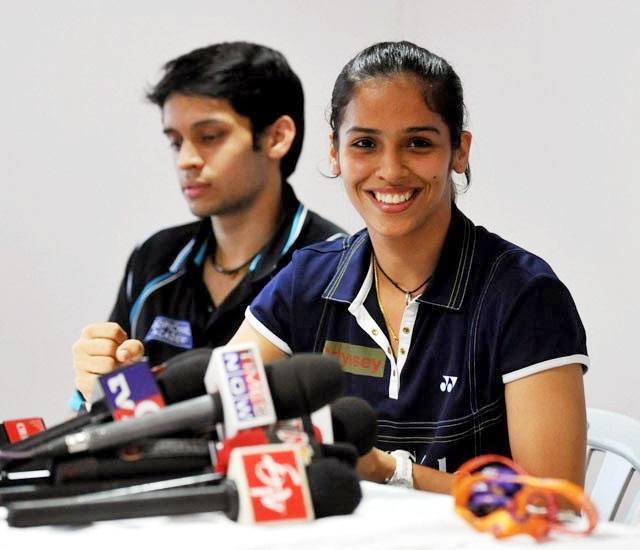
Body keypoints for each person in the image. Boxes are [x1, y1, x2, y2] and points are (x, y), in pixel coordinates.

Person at [114, 41, 588, 494]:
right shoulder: (308, 278)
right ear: (334, 153)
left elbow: (554, 501)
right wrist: (125, 377)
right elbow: (215, 407)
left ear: (459, 150)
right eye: (364, 143)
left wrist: (391, 470)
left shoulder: (524, 295)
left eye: (418, 143)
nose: (391, 170)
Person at [71, 42, 344, 404]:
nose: (186, 159)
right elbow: (126, 417)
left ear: (277, 136)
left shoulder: (335, 266)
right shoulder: (155, 258)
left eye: (209, 137)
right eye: (175, 141)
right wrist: (98, 387)